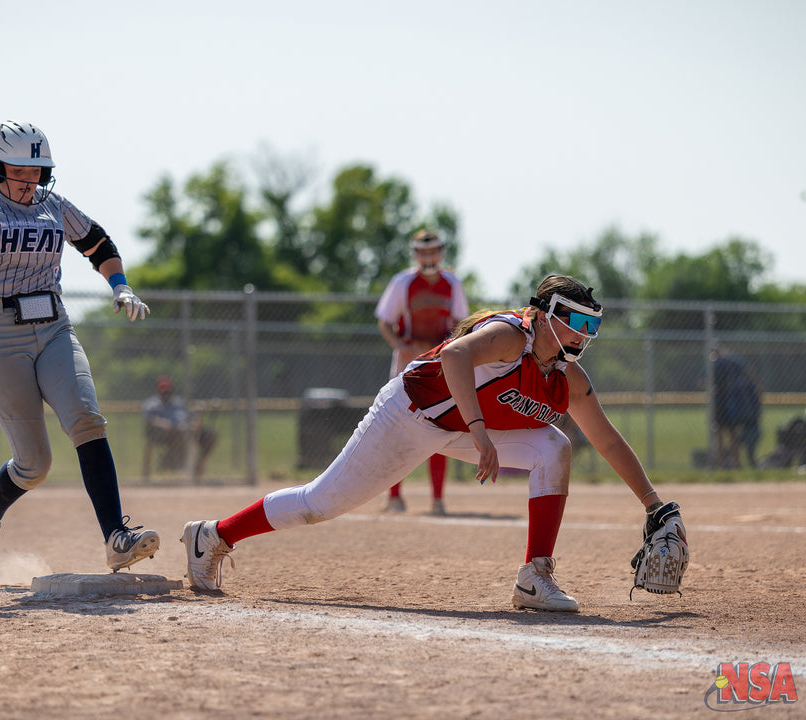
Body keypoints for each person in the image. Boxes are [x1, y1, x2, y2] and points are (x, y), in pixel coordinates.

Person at [181, 274, 680, 612]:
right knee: (320, 503)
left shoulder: (567, 376)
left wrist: (653, 505)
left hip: (458, 426)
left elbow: (609, 440)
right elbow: (455, 358)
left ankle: (535, 578)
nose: (585, 335)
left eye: (593, 326)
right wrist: (482, 433)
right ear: (546, 315)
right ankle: (213, 535)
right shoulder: (512, 334)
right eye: (579, 322)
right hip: (409, 412)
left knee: (556, 447)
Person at [0, 120, 159, 577]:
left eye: (37, 170)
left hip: (55, 325)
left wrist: (120, 286)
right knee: (35, 464)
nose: (29, 180)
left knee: (86, 418)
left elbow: (97, 243)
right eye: (18, 170)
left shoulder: (53, 204)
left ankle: (116, 538)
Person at [374, 229, 469, 516]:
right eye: (422, 251)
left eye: (433, 251)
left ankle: (437, 499)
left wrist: (448, 348)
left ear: (441, 252)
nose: (428, 257)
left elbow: (461, 322)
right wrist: (401, 346)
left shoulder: (452, 283)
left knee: (440, 426)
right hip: (408, 363)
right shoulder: (403, 282)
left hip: (439, 362)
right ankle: (394, 497)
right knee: (397, 427)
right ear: (414, 254)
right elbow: (385, 321)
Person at [142, 375, 217, 480]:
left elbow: (193, 416)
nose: (165, 394)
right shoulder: (152, 404)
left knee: (210, 435)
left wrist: (195, 424)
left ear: (172, 390)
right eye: (163, 391)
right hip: (163, 433)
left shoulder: (179, 402)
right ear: (158, 390)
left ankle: (198, 466)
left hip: (187, 430)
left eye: (167, 391)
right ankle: (172, 463)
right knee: (180, 432)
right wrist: (167, 424)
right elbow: (150, 421)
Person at [711, 349, 762, 469]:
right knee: (732, 433)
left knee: (719, 434)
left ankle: (721, 466)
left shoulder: (714, 362)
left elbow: (703, 382)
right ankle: (737, 465)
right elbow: (750, 374)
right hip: (732, 402)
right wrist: (758, 387)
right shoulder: (734, 361)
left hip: (719, 402)